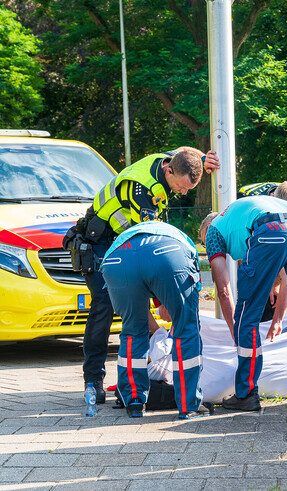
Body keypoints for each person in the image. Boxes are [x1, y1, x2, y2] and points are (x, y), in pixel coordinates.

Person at [65, 147, 220, 404]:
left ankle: (145, 373)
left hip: (125, 240)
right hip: (100, 242)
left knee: (137, 304)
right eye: (180, 187)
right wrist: (162, 302)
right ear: (169, 170)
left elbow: (184, 151)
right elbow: (148, 252)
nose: (181, 193)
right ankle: (93, 380)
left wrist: (204, 160)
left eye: (187, 190)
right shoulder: (143, 190)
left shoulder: (169, 161)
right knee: (104, 306)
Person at [199, 181, 287, 411]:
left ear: (207, 231)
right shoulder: (240, 217)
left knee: (247, 316)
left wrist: (236, 329)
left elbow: (223, 290)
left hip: (270, 229)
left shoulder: (214, 231)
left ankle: (246, 393)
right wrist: (278, 318)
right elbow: (281, 274)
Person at [100, 220, 209, 419]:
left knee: (132, 331)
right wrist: (175, 326)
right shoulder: (184, 243)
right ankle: (189, 406)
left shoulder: (137, 234)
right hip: (167, 254)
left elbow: (152, 313)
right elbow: (175, 314)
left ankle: (134, 401)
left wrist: (158, 330)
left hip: (117, 259)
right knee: (187, 330)